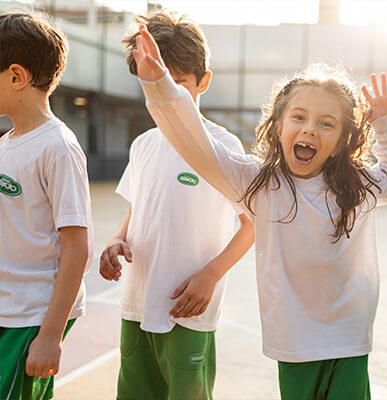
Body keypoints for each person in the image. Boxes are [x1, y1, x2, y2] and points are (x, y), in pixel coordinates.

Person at [131, 25, 387, 399]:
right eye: (298, 117)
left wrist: (386, 125)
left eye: (326, 123)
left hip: (348, 337)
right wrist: (160, 87)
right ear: (278, 126)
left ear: (342, 141)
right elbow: (196, 144)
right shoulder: (258, 184)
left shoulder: (356, 186)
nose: (310, 130)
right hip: (294, 340)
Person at [99, 12, 254, 400]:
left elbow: (253, 225)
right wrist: (115, 239)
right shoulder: (144, 144)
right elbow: (137, 210)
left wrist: (210, 275)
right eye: (153, 80)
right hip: (136, 304)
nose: (165, 92)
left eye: (178, 83)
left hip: (188, 309)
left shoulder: (224, 148)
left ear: (204, 81)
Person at [0, 12, 93, 400]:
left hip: (33, 315)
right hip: (8, 307)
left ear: (17, 77)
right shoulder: (6, 143)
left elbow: (77, 247)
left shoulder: (57, 147)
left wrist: (50, 335)